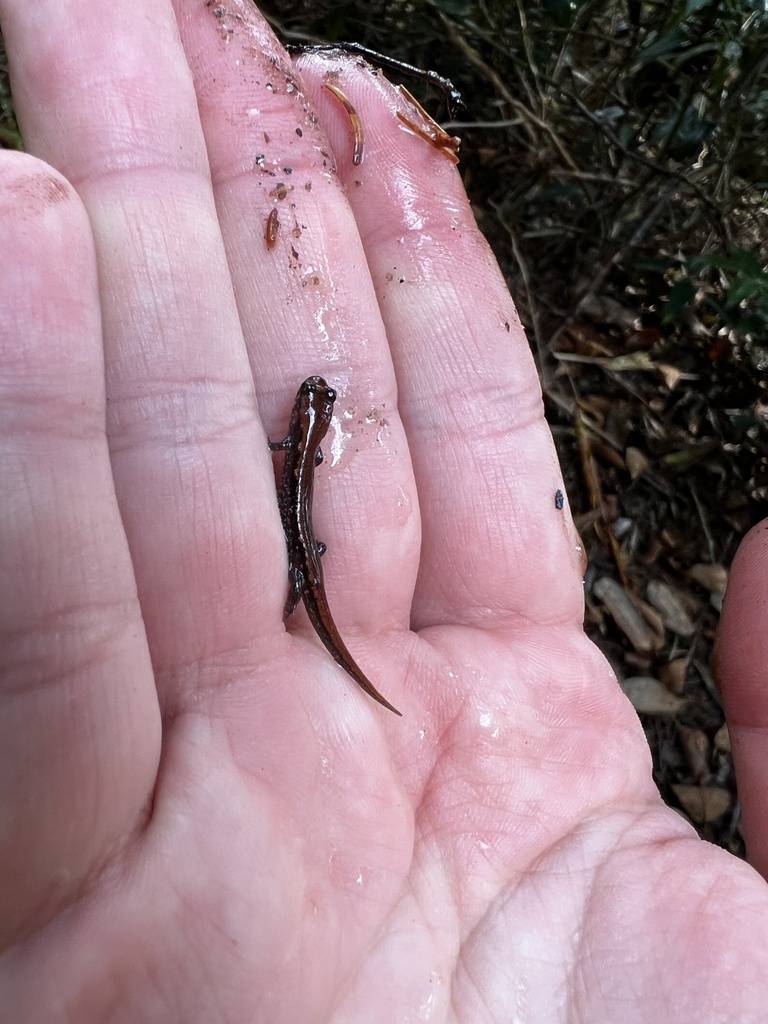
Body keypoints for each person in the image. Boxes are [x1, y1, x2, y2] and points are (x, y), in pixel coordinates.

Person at [0, 1, 766, 1020]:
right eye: (313, 404)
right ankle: (317, 626)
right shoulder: (301, 437)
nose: (310, 407)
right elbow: (297, 463)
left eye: (310, 405)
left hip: (303, 534)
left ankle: (321, 627)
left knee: (302, 553)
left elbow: (298, 459)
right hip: (299, 534)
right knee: (300, 551)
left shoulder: (299, 437)